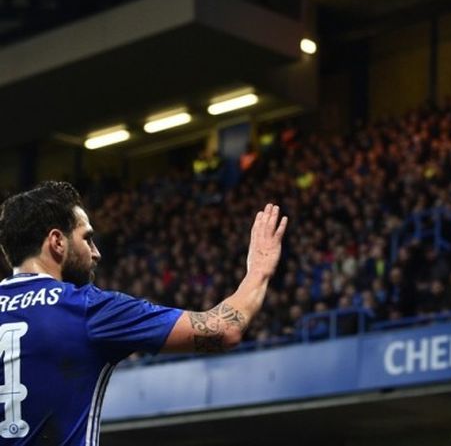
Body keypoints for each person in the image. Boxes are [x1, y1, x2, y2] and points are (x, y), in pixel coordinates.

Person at [0, 181, 287, 445]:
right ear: (57, 242)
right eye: (87, 239)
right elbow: (223, 330)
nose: (96, 252)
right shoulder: (87, 307)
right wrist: (258, 272)